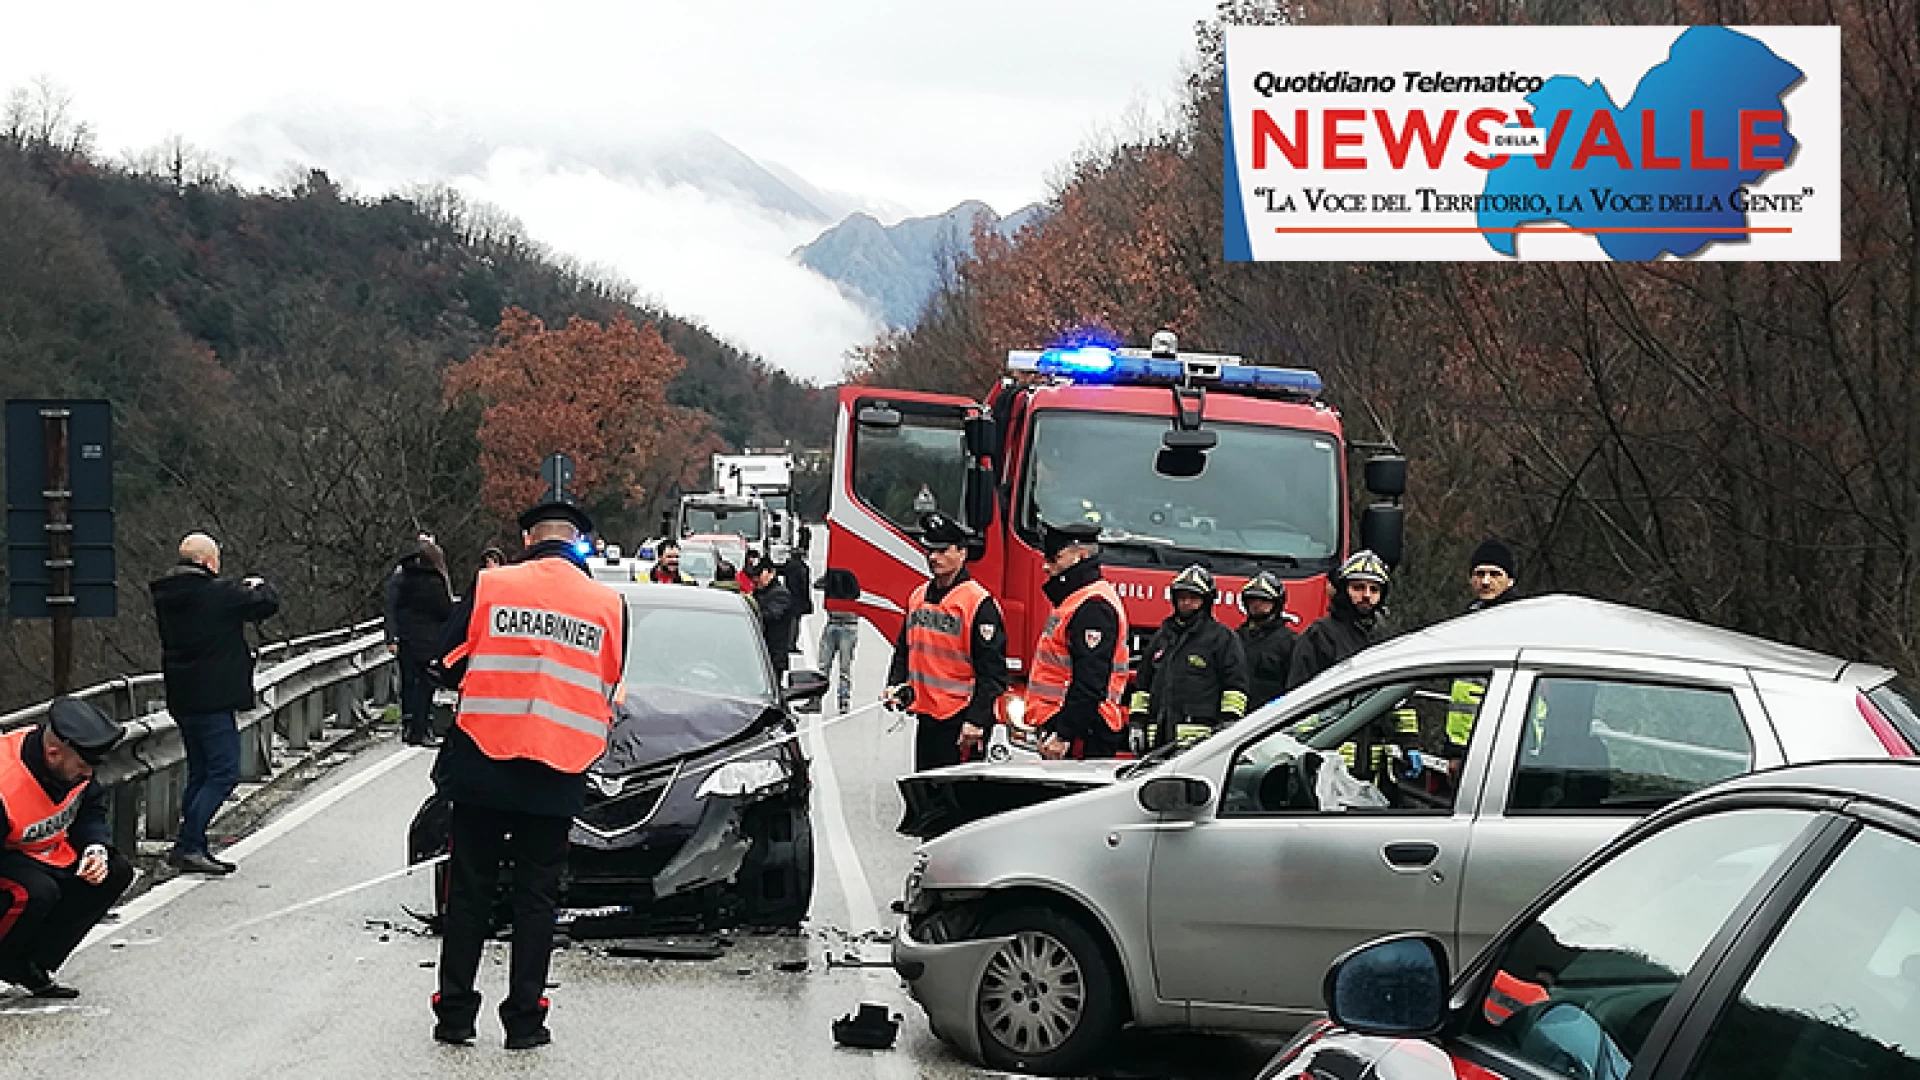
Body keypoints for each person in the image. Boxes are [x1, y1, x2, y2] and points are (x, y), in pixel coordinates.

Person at [428, 499, 628, 1051]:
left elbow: (444, 661)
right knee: (536, 898)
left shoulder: (493, 586)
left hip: (483, 765)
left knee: (469, 891)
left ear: (526, 540)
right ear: (580, 542)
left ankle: (455, 1015)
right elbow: (609, 678)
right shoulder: (607, 604)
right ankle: (524, 1020)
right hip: (557, 771)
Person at [149, 532, 280, 876]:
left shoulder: (166, 595)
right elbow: (266, 604)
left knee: (200, 772)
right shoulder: (217, 594)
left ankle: (192, 844)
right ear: (208, 562)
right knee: (223, 773)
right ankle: (189, 843)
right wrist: (257, 584)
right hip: (213, 697)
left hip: (182, 695)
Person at [0, 698, 132, 999]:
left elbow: (90, 810)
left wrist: (95, 848)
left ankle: (30, 963)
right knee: (36, 891)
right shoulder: (5, 780)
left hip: (46, 850)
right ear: (53, 753)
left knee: (115, 871)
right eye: (83, 766)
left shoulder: (74, 767)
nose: (88, 774)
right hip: (8, 857)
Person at [884, 513, 1008, 770]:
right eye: (930, 550)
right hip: (927, 715)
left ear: (962, 553)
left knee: (956, 801)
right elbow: (904, 649)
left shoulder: (978, 603)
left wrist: (977, 720)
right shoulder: (918, 596)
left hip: (960, 720)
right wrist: (895, 685)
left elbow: (993, 673)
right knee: (925, 791)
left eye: (942, 550)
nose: (933, 557)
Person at [1026, 521, 1131, 761]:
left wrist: (1064, 734)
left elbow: (1090, 681)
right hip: (1072, 725)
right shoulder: (1076, 600)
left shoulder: (1092, 606)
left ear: (1080, 556)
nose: (1045, 566)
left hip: (1083, 732)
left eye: (1055, 558)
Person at [1130, 564, 1248, 753]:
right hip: (1157, 740)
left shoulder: (1222, 638)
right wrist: (1137, 723)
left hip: (1199, 743)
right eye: (1182, 598)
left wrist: (1229, 725)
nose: (1186, 603)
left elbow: (1235, 687)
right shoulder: (1162, 637)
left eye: (1193, 599)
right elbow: (1143, 686)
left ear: (1206, 601)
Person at [1285, 549, 1390, 692]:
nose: (1366, 595)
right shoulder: (1319, 635)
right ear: (1343, 590)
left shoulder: (1385, 636)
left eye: (1374, 590)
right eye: (1358, 587)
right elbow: (1297, 692)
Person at [390, 538, 455, 746]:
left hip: (407, 639)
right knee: (425, 686)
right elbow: (444, 611)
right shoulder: (434, 582)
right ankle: (422, 728)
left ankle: (409, 726)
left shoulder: (404, 579)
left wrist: (394, 635)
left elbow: (392, 606)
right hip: (428, 641)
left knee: (409, 683)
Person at [1237, 571, 1297, 710]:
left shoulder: (1291, 643)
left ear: (1276, 604)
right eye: (1252, 600)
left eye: (1264, 601)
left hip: (1270, 717)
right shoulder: (1234, 638)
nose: (1257, 605)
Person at [815, 568, 862, 712]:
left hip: (848, 623)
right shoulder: (832, 574)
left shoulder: (853, 576)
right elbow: (817, 584)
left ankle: (843, 699)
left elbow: (857, 593)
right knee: (824, 665)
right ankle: (816, 698)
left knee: (844, 667)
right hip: (834, 621)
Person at [747, 553, 795, 678]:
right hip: (756, 653)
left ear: (771, 573)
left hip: (773, 654)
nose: (755, 579)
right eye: (753, 576)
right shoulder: (758, 592)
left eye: (759, 575)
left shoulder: (780, 594)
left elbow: (770, 615)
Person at [778, 543, 814, 659]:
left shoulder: (788, 567)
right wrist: (808, 601)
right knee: (795, 622)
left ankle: (788, 643)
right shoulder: (802, 568)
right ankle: (791, 644)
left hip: (788, 596)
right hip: (798, 598)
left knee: (789, 622)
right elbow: (804, 586)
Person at [1467, 538, 1520, 613]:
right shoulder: (1467, 617)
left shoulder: (1519, 613)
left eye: (1494, 574)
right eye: (1480, 574)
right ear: (1471, 580)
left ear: (1510, 581)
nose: (1485, 582)